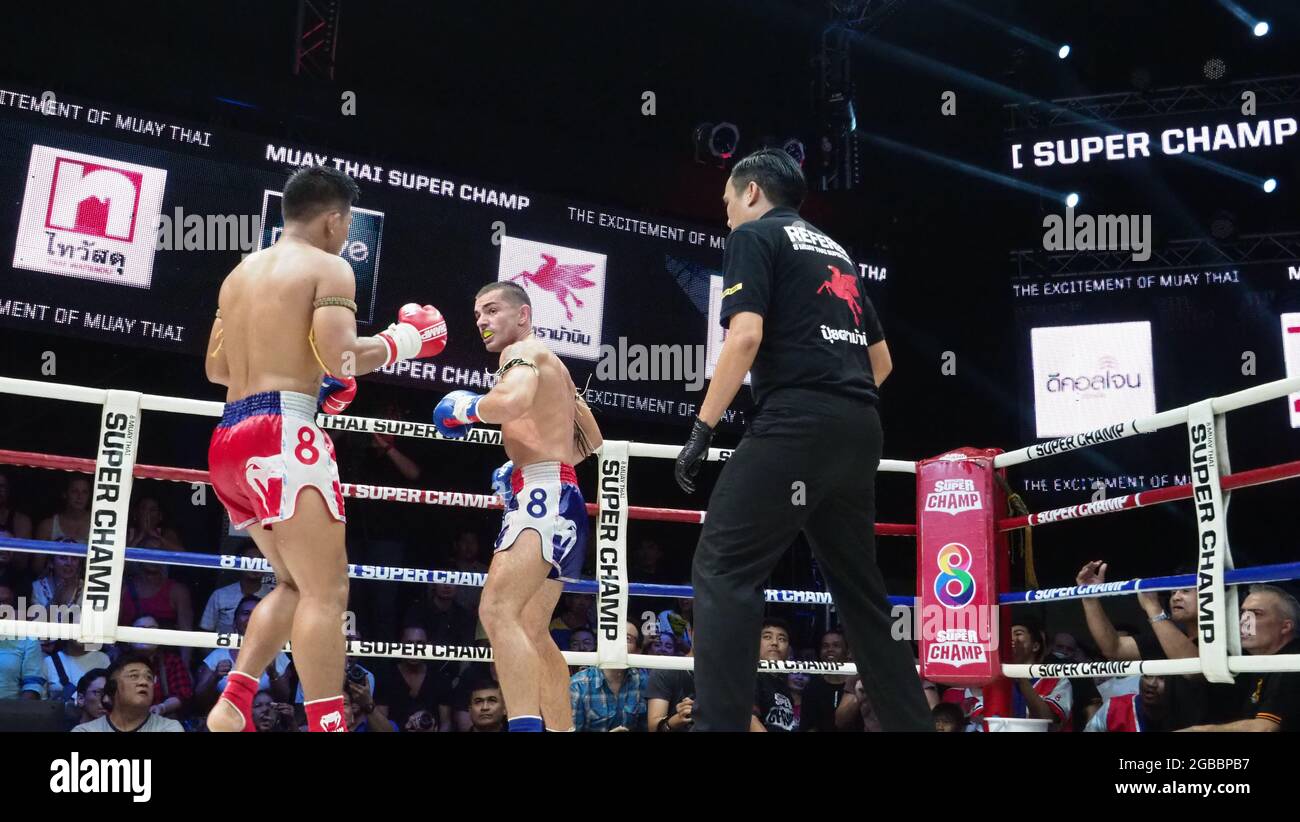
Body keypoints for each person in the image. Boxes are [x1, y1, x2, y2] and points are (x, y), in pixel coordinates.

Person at [673, 148, 930, 732]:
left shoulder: (757, 237)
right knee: (863, 598)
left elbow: (744, 337)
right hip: (860, 428)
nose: (727, 218)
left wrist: (702, 427)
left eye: (728, 204)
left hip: (796, 422)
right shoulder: (833, 249)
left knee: (723, 569)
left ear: (753, 193)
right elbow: (880, 360)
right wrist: (837, 399)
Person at [203, 165, 446, 732]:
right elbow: (341, 356)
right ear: (336, 219)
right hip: (284, 435)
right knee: (329, 590)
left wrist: (316, 379)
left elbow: (217, 368)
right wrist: (405, 339)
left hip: (229, 440)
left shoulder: (238, 275)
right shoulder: (330, 266)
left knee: (294, 583)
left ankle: (235, 698)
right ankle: (328, 725)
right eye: (347, 223)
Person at [433, 280, 602, 732]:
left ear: (523, 315)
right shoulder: (556, 365)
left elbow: (512, 401)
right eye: (477, 316)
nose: (483, 322)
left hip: (544, 499)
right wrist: (526, 465)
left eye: (492, 310)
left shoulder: (520, 352)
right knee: (530, 628)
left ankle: (524, 727)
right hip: (563, 497)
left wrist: (466, 408)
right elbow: (592, 440)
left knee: (496, 611)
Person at [1181, 585, 1300, 732]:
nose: (1244, 621)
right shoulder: (1249, 661)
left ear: (1285, 627)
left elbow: (1265, 728)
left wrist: (1197, 731)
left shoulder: (1292, 661)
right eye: (1243, 613)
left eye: (1257, 613)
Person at [195, 596, 293, 710]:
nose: (251, 618)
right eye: (246, 613)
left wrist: (273, 674)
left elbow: (284, 699)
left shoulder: (278, 656)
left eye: (257, 613)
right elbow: (199, 700)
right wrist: (215, 676)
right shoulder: (218, 656)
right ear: (235, 622)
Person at [569, 620, 648, 732]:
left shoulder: (642, 681)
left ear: (638, 650)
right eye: (613, 636)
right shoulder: (579, 685)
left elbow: (646, 727)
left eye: (627, 638)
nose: (618, 643)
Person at [72, 654, 183, 732]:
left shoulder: (169, 728)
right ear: (112, 688)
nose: (144, 682)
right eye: (134, 676)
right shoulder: (85, 730)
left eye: (149, 677)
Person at [199, 542, 274, 633]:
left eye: (260, 561)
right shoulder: (220, 595)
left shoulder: (273, 598)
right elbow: (206, 630)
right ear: (239, 563)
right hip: (224, 646)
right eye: (250, 561)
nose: (255, 566)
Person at [750, 618, 797, 732]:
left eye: (782, 639)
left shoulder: (783, 685)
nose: (775, 643)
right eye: (767, 637)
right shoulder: (752, 676)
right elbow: (749, 720)